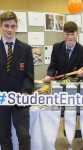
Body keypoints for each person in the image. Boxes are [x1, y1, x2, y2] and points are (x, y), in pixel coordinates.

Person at [0, 11, 34, 150]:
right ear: (1, 26)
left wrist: (25, 93)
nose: (9, 29)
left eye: (12, 26)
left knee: (24, 136)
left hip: (21, 99)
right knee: (4, 138)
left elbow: (29, 75)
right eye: (6, 26)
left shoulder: (25, 49)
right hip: (1, 100)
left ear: (17, 27)